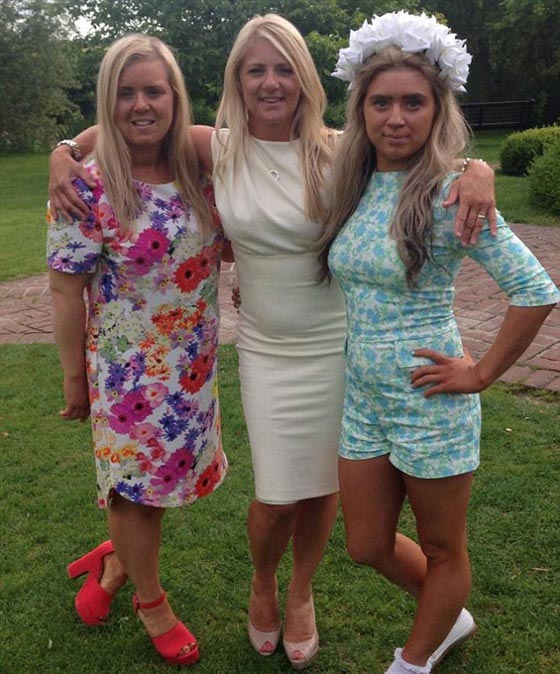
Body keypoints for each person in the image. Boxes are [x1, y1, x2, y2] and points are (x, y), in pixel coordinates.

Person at [48, 14, 496, 670]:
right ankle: (263, 581)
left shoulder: (344, 150)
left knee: (321, 487)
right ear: (237, 80)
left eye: (284, 68)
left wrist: (476, 168)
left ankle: (300, 592)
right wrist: (64, 149)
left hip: (336, 343)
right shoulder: (215, 148)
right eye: (255, 69)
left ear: (305, 78)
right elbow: (127, 121)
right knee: (277, 496)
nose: (270, 82)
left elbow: (421, 153)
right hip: (265, 348)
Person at [321, 11, 560, 674]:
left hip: (431, 399)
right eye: (381, 103)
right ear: (361, 109)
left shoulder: (454, 193)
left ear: (437, 109)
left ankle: (414, 660)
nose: (396, 118)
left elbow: (536, 290)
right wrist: (70, 148)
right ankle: (448, 612)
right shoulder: (354, 181)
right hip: (365, 398)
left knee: (443, 547)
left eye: (413, 103)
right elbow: (235, 135)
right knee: (366, 544)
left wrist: (480, 373)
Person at [47, 34, 228, 667]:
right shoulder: (87, 187)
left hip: (193, 368)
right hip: (126, 377)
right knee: (133, 490)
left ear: (175, 96)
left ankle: (118, 559)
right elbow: (65, 290)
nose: (141, 105)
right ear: (108, 100)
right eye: (125, 93)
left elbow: (305, 150)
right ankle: (152, 603)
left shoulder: (202, 170)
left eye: (154, 90)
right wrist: (75, 378)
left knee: (164, 483)